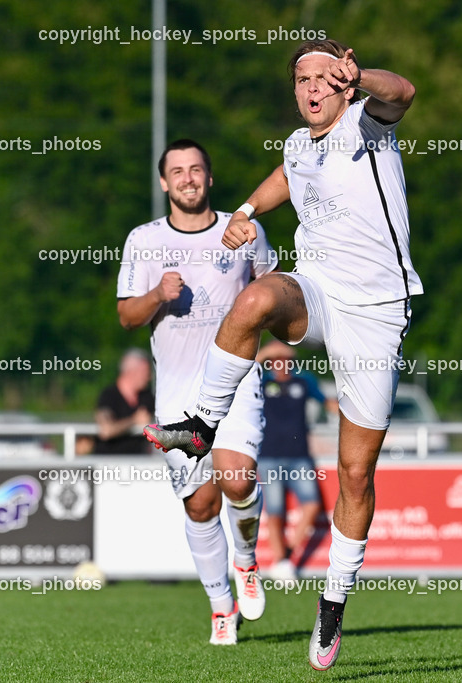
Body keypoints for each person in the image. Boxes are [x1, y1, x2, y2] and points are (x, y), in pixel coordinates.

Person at [144, 40, 420, 670]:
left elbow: (402, 92)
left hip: (376, 314)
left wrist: (364, 75)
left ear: (346, 85)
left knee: (354, 474)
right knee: (255, 300)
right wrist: (242, 210)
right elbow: (285, 178)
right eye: (302, 78)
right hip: (318, 291)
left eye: (326, 76)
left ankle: (333, 601)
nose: (313, 87)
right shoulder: (300, 144)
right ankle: (202, 425)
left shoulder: (365, 123)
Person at [117, 139, 277, 645]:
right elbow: (126, 316)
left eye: (196, 170)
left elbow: (275, 291)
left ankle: (246, 561)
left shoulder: (244, 231)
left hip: (236, 379)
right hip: (176, 396)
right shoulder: (143, 240)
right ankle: (220, 609)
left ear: (210, 178)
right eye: (177, 172)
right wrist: (156, 296)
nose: (187, 179)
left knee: (236, 475)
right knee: (201, 505)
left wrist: (278, 344)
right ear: (164, 183)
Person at [255, 341, 328, 582]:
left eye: (284, 357)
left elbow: (327, 403)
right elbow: (245, 369)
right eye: (275, 358)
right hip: (268, 455)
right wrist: (265, 353)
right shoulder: (263, 380)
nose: (281, 362)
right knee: (275, 512)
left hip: (300, 456)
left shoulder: (304, 380)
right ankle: (281, 563)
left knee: (312, 505)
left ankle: (286, 553)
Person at [92, 349, 156, 455]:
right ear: (131, 372)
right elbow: (106, 430)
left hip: (140, 465)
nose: (149, 377)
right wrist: (134, 420)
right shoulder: (109, 396)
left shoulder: (147, 397)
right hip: (109, 464)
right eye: (145, 372)